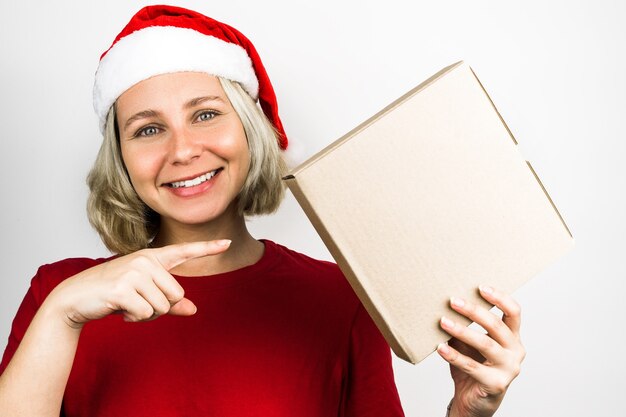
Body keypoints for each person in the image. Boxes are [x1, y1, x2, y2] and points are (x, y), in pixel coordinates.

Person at [0, 5, 525, 417]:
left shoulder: (341, 298)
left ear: (252, 133)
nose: (182, 150)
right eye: (148, 128)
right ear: (122, 159)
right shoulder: (59, 296)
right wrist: (63, 314)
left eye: (206, 114)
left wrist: (465, 415)